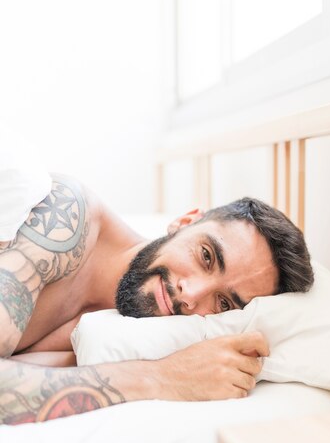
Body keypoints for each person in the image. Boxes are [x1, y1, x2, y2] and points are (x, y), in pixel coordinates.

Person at [0, 173, 313, 425]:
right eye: (205, 256)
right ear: (185, 222)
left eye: (224, 303)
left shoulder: (106, 339)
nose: (190, 295)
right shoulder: (67, 217)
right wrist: (162, 377)